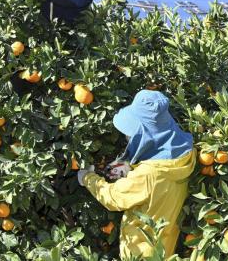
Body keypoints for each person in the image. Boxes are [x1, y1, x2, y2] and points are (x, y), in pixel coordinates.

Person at [77, 90, 195, 258]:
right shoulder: (186, 153)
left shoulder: (148, 175)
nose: (128, 135)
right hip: (164, 246)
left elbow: (113, 197)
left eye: (132, 131)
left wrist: (88, 178)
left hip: (140, 252)